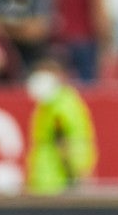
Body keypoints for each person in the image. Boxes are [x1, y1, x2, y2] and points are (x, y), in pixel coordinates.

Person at [24, 58, 97, 194]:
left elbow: (63, 144)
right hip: (52, 182)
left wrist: (76, 179)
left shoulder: (58, 108)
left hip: (54, 183)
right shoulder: (61, 102)